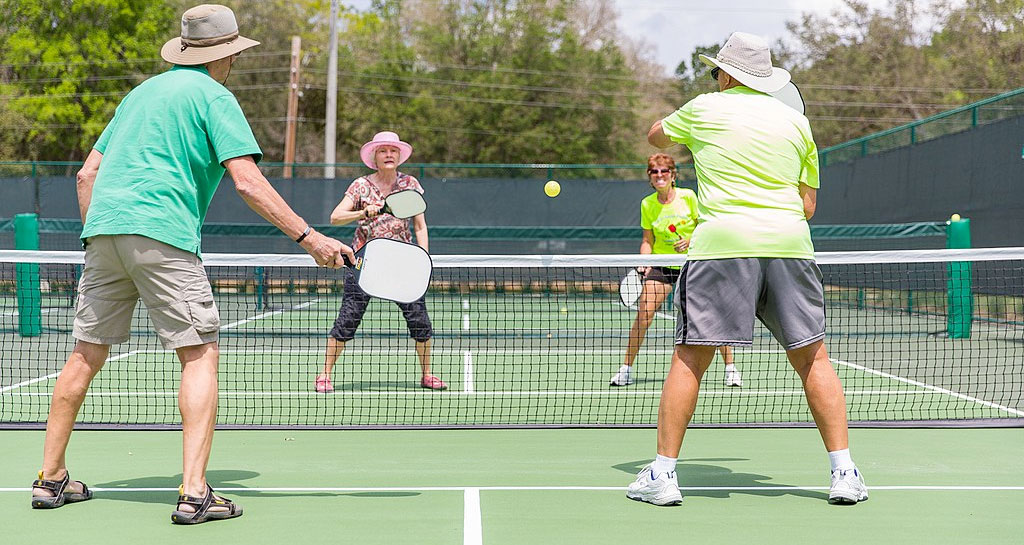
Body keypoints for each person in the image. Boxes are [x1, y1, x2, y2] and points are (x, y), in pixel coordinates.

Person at [30, 5, 353, 524]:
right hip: (163, 234)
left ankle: (50, 478)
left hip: (102, 234)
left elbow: (86, 175)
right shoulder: (215, 96)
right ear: (225, 55)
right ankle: (195, 491)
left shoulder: (139, 94)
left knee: (85, 355)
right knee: (199, 354)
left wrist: (98, 237)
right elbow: (246, 181)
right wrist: (308, 236)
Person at [626, 32, 867, 506]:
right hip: (789, 246)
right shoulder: (797, 125)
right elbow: (808, 204)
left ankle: (663, 476)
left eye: (717, 71)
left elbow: (655, 135)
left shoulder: (703, 109)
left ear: (729, 74)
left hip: (723, 247)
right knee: (813, 359)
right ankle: (845, 473)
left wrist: (690, 126)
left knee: (691, 358)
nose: (714, 78)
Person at [315, 131, 446, 392]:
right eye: (383, 150)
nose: (389, 154)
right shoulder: (360, 185)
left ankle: (427, 374)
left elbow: (420, 226)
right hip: (363, 263)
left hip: (403, 264)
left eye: (393, 150)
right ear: (374, 157)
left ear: (399, 156)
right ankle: (325, 374)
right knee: (348, 319)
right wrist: (364, 211)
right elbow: (335, 217)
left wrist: (424, 259)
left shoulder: (410, 183)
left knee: (420, 321)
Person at [610, 153, 741, 388]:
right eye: (654, 172)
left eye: (664, 171)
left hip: (693, 263)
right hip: (663, 266)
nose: (660, 176)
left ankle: (730, 368)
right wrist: (644, 260)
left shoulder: (688, 197)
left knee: (712, 316)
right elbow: (647, 240)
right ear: (650, 178)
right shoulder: (647, 204)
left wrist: (691, 239)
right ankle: (626, 369)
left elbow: (707, 225)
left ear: (673, 175)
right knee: (644, 314)